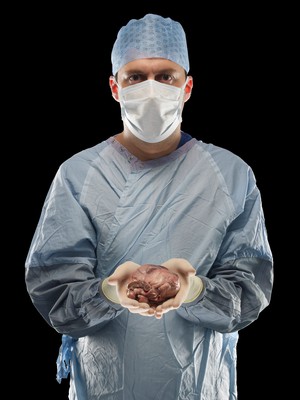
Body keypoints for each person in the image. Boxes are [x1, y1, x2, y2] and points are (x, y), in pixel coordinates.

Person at [25, 13, 274, 400]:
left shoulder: (230, 175)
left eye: (166, 76)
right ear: (114, 87)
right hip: (102, 386)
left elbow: (251, 290)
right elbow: (54, 292)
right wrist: (109, 292)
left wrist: (191, 290)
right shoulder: (79, 175)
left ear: (187, 86)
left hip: (202, 387)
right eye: (136, 76)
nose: (152, 88)